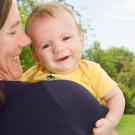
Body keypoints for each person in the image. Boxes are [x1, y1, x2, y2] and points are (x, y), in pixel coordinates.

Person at [0, 1, 117, 135]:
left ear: (81, 39)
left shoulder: (90, 70)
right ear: (36, 57)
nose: (59, 48)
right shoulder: (35, 76)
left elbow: (116, 96)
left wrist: (110, 122)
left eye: (66, 38)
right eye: (12, 32)